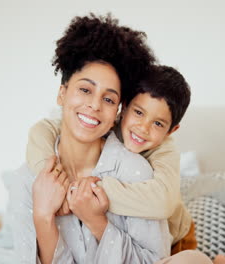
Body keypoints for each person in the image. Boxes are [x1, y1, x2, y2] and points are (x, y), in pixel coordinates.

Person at [10, 13, 174, 264]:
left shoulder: (136, 173)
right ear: (62, 94)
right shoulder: (27, 180)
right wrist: (43, 216)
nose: (95, 105)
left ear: (117, 112)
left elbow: (156, 262)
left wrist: (98, 222)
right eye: (85, 90)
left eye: (109, 99)